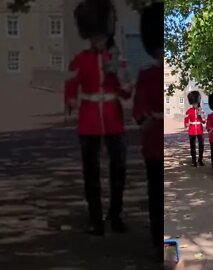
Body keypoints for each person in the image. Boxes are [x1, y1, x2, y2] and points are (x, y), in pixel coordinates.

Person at [65, 0, 131, 235]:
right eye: (95, 37)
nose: (98, 41)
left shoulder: (116, 59)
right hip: (89, 120)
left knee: (118, 171)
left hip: (114, 118)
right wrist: (70, 99)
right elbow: (71, 82)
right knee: (91, 173)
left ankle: (115, 215)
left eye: (101, 36)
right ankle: (96, 219)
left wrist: (119, 74)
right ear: (89, 35)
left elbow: (126, 91)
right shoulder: (81, 59)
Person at [132, 1, 162, 252]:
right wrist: (145, 118)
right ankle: (157, 241)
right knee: (155, 194)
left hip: (156, 140)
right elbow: (139, 108)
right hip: (154, 142)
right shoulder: (147, 74)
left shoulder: (149, 73)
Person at [184, 91, 205, 167]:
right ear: (192, 103)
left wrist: (201, 115)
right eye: (193, 103)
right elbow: (186, 119)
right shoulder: (189, 111)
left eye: (195, 103)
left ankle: (200, 160)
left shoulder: (201, 110)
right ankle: (194, 161)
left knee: (201, 145)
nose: (195, 105)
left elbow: (203, 121)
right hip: (192, 130)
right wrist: (186, 124)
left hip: (200, 129)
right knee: (192, 146)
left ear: (198, 102)